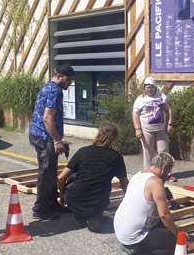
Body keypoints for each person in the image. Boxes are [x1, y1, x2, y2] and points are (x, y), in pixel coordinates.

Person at [57, 122, 129, 233]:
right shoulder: (116, 157)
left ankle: (81, 214)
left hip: (75, 199)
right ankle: (94, 215)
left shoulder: (83, 151)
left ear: (98, 134)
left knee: (74, 176)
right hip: (99, 202)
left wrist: (62, 196)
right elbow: (125, 184)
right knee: (102, 183)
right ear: (114, 139)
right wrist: (128, 206)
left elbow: (61, 178)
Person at [29, 63, 75, 220]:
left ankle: (52, 203)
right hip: (44, 138)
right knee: (46, 173)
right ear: (59, 76)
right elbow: (47, 118)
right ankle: (40, 209)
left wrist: (59, 140)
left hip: (42, 135)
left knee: (49, 172)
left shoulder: (49, 87)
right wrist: (56, 141)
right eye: (68, 80)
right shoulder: (55, 90)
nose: (70, 83)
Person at [113, 153, 180, 255]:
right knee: (174, 243)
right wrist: (177, 234)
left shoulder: (138, 174)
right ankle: (136, 248)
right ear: (164, 168)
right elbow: (164, 214)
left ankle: (133, 245)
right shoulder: (156, 182)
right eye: (168, 172)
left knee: (168, 227)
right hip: (134, 237)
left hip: (120, 229)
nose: (167, 176)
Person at [132, 76, 176, 181]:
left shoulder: (162, 96)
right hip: (146, 129)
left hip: (160, 129)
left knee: (164, 152)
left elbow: (168, 110)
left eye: (151, 87)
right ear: (144, 88)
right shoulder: (140, 99)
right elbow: (135, 114)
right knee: (148, 152)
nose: (149, 89)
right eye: (147, 87)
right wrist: (137, 129)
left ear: (155, 87)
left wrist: (170, 124)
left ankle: (167, 173)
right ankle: (148, 173)